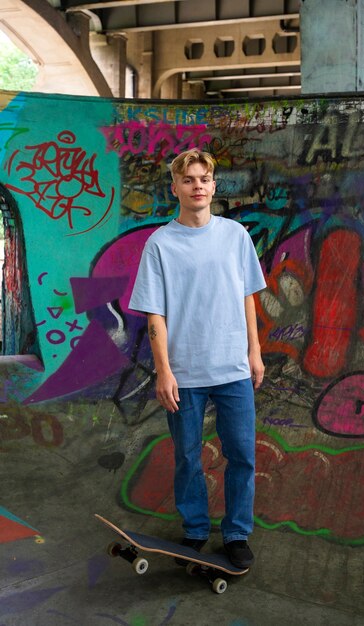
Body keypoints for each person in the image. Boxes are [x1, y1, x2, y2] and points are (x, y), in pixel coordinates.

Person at [129, 149, 266, 568]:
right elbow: (155, 313)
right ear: (175, 188)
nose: (198, 186)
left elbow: (248, 297)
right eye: (188, 180)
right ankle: (194, 530)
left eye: (204, 178)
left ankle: (237, 533)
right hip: (184, 372)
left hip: (233, 369)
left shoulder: (235, 236)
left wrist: (255, 351)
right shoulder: (160, 244)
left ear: (213, 185)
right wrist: (164, 371)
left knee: (241, 453)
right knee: (188, 455)